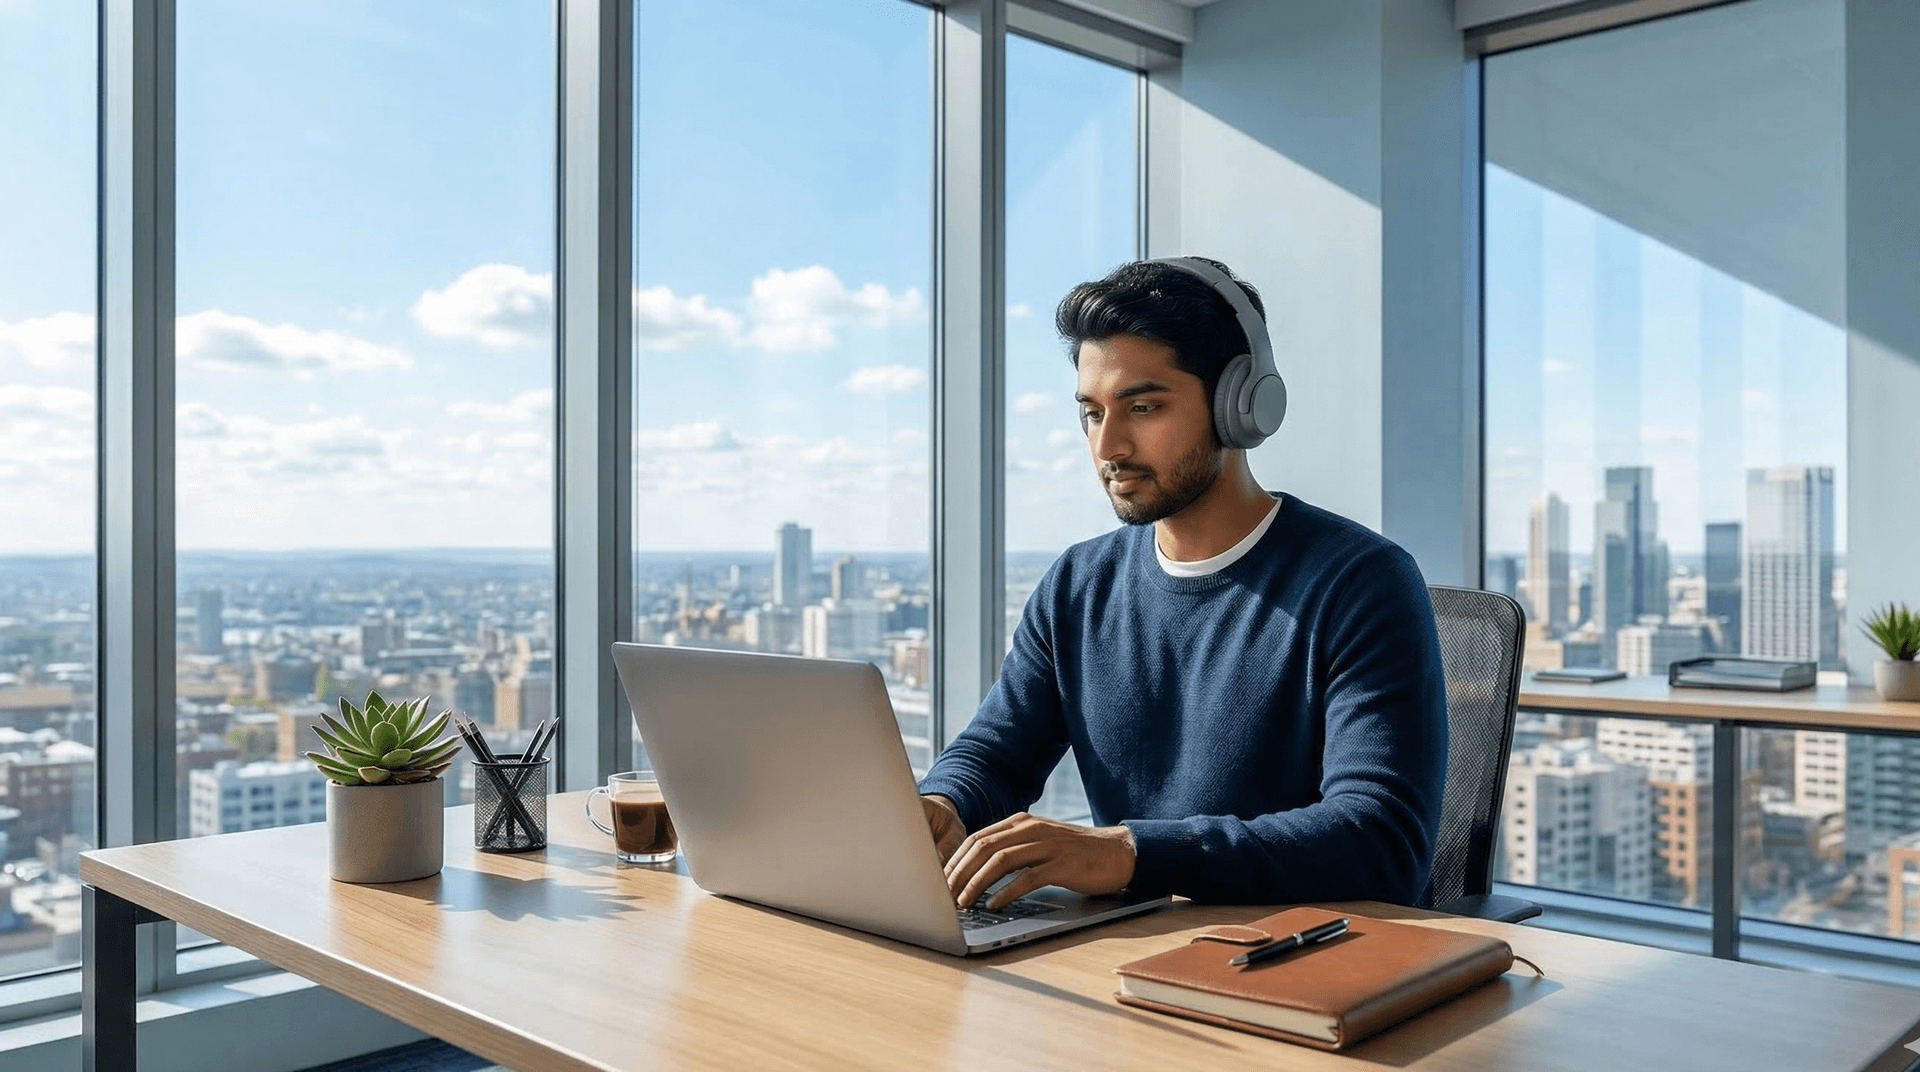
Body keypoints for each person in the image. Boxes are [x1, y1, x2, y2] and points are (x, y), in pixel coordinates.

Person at [917, 257, 1448, 911]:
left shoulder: (1360, 583)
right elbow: (998, 754)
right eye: (1091, 413)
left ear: (1239, 406)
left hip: (1303, 963)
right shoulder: (1078, 585)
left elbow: (1379, 842)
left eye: (1142, 406)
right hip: (1130, 958)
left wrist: (1128, 854)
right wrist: (942, 804)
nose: (1108, 445)